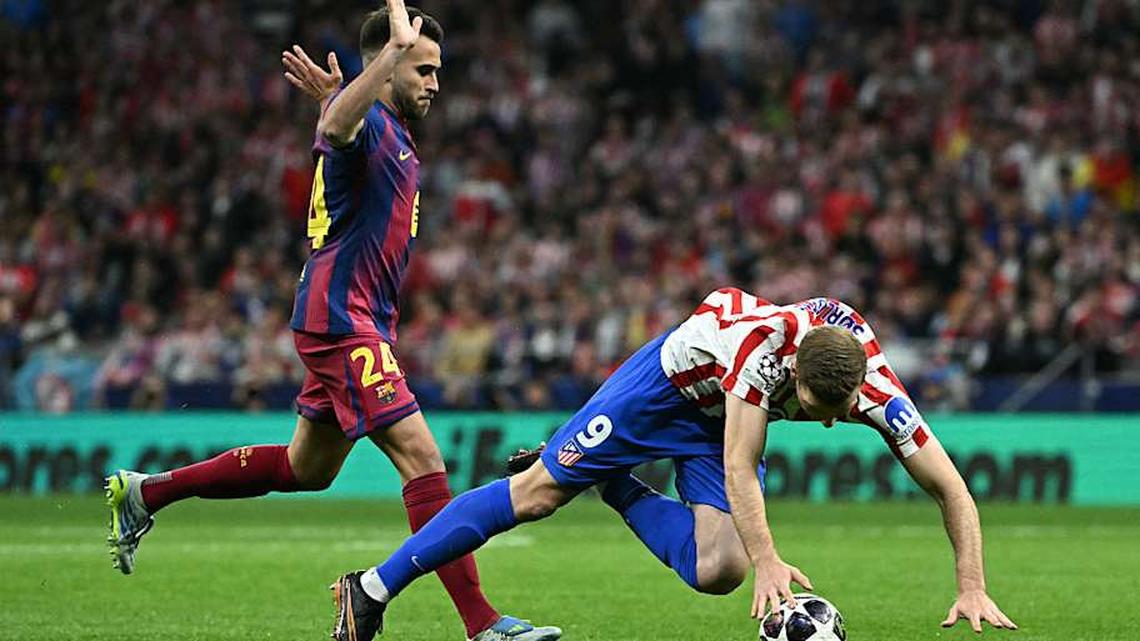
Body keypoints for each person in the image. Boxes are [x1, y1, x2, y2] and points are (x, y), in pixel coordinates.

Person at [104, 3, 560, 640]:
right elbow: (337, 127)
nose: (434, 83)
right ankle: (481, 624)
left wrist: (346, 92)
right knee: (423, 460)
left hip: (349, 318)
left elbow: (344, 122)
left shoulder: (387, 126)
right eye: (423, 69)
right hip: (344, 319)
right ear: (389, 64)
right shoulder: (367, 123)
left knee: (306, 468)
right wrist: (362, 79)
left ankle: (146, 493)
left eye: (437, 71)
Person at [327, 289, 1019, 641]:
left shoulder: (875, 387)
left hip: (714, 417)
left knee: (720, 569)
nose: (833, 423)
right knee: (536, 493)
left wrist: (972, 584)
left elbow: (951, 488)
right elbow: (741, 465)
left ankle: (613, 482)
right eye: (816, 409)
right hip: (664, 387)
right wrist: (772, 561)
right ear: (794, 376)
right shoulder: (762, 355)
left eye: (841, 412)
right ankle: (372, 588)